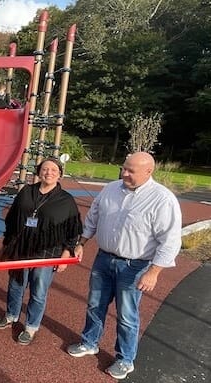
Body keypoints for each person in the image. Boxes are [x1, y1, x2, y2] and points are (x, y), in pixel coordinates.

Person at [67, 152, 182, 380]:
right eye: (124, 168)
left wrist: (154, 272)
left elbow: (170, 240)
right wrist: (81, 243)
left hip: (135, 265)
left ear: (149, 172)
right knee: (94, 305)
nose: (124, 174)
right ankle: (90, 342)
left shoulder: (162, 199)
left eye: (131, 171)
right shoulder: (111, 189)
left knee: (127, 315)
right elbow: (94, 217)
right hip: (104, 259)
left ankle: (125, 359)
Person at [0, 158, 82, 346]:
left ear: (59, 174)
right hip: (22, 249)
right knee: (16, 285)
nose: (48, 172)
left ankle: (31, 326)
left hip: (47, 252)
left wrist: (66, 254)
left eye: (53, 170)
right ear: (39, 172)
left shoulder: (66, 200)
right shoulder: (27, 191)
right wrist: (9, 242)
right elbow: (12, 217)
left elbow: (73, 229)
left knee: (38, 291)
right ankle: (11, 315)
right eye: (45, 169)